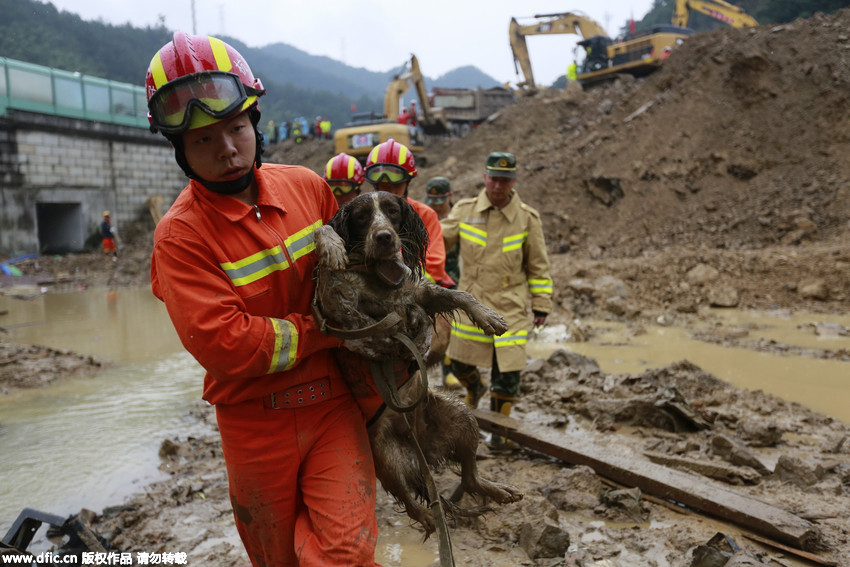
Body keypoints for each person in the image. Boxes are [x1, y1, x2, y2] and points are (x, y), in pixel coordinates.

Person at [145, 32, 380, 566]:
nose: (227, 149)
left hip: (332, 405)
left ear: (254, 122)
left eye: (235, 128)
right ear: (179, 149)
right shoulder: (180, 237)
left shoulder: (307, 188)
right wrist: (323, 331)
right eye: (203, 140)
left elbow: (359, 281)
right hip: (254, 422)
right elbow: (224, 343)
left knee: (346, 552)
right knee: (275, 557)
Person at [440, 152, 553, 447]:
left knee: (508, 373)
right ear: (484, 177)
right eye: (494, 179)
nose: (498, 186)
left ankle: (499, 437)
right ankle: (475, 388)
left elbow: (538, 267)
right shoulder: (465, 211)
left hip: (510, 306)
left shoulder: (527, 219)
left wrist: (541, 304)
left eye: (504, 180)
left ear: (513, 181)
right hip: (472, 305)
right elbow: (436, 241)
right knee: (457, 364)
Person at [363, 138, 452, 287]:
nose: (389, 191)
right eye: (384, 186)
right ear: (374, 183)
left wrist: (400, 285)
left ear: (408, 181)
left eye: (395, 185)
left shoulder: (424, 215)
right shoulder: (362, 216)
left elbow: (434, 267)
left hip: (415, 298)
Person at [424, 177, 461, 389]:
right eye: (432, 199)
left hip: (454, 279)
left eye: (440, 200)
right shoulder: (424, 216)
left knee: (452, 328)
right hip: (430, 279)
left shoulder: (458, 217)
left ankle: (450, 372)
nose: (436, 204)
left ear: (450, 197)